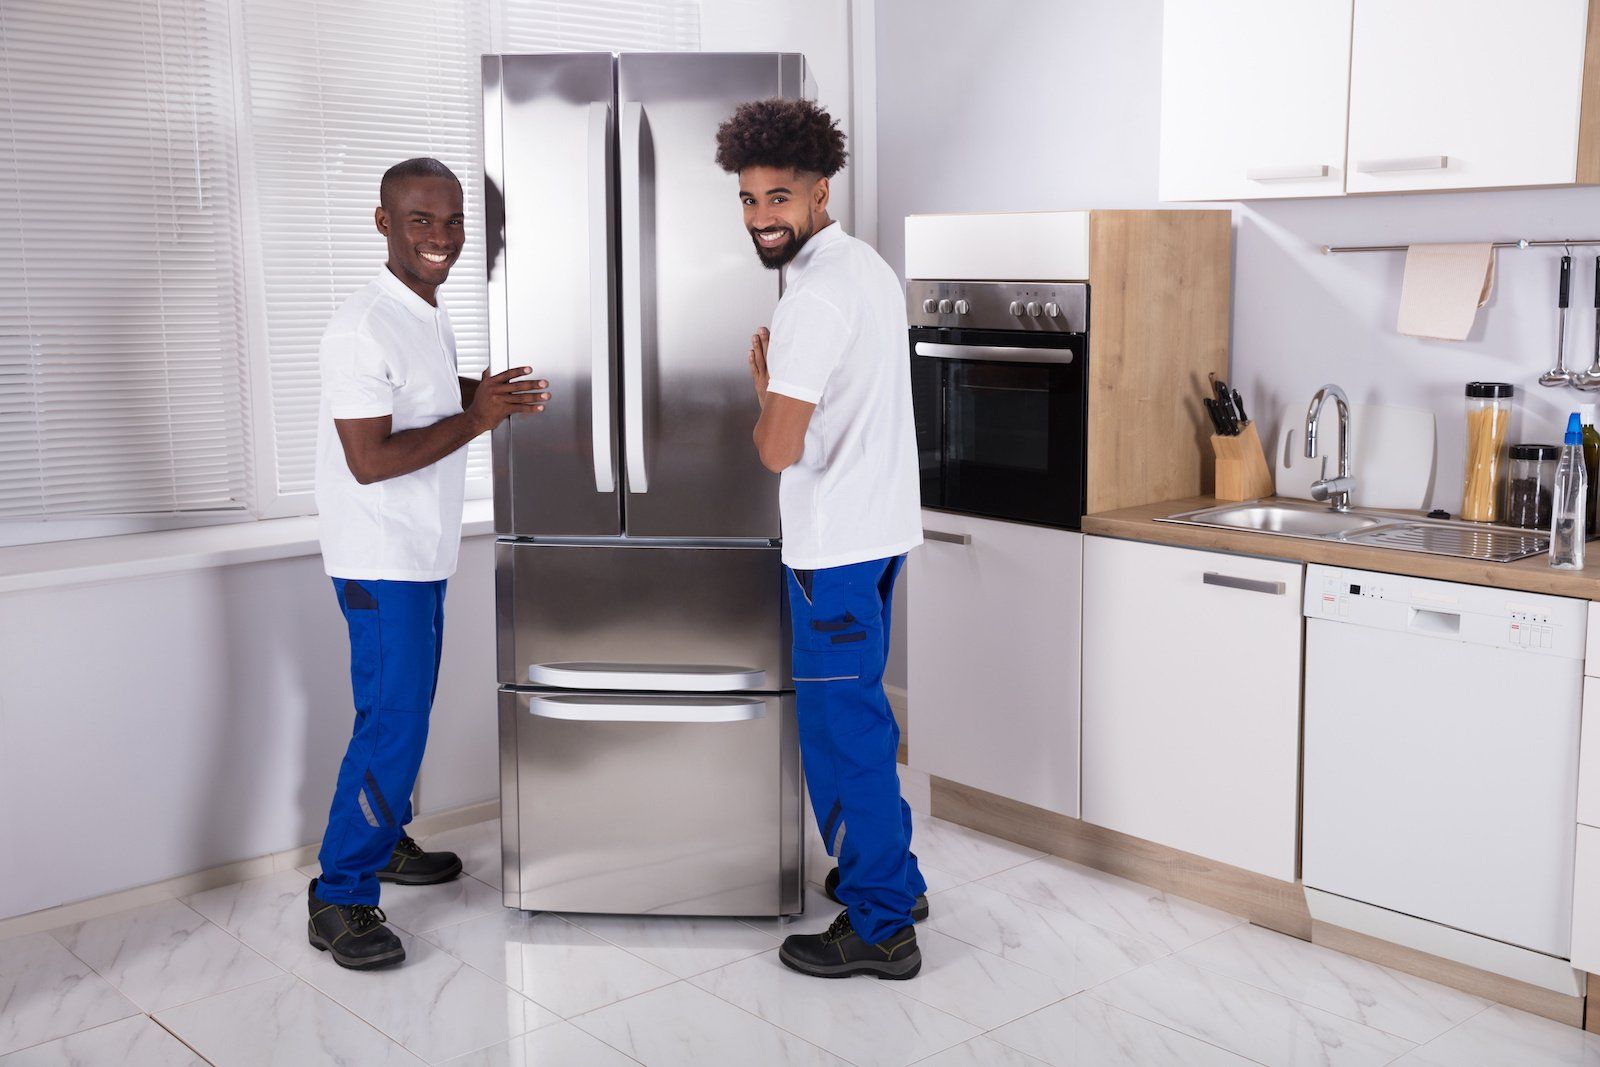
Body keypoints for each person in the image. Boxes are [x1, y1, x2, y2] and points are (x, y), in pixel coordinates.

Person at [306, 157, 549, 969]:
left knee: (404, 714)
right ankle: (340, 894)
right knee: (393, 720)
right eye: (421, 221)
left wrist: (490, 389)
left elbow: (426, 396)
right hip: (380, 562)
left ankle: (387, 840)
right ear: (384, 224)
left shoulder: (423, 311)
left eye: (452, 223)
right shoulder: (360, 326)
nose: (441, 237)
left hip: (419, 552)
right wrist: (480, 416)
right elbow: (369, 459)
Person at [715, 100, 928, 979]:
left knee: (848, 734)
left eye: (779, 198)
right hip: (874, 535)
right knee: (860, 719)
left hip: (834, 546)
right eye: (750, 199)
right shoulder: (867, 269)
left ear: (819, 191)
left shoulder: (812, 299)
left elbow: (777, 448)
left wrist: (765, 388)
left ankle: (882, 926)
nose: (764, 216)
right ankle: (894, 880)